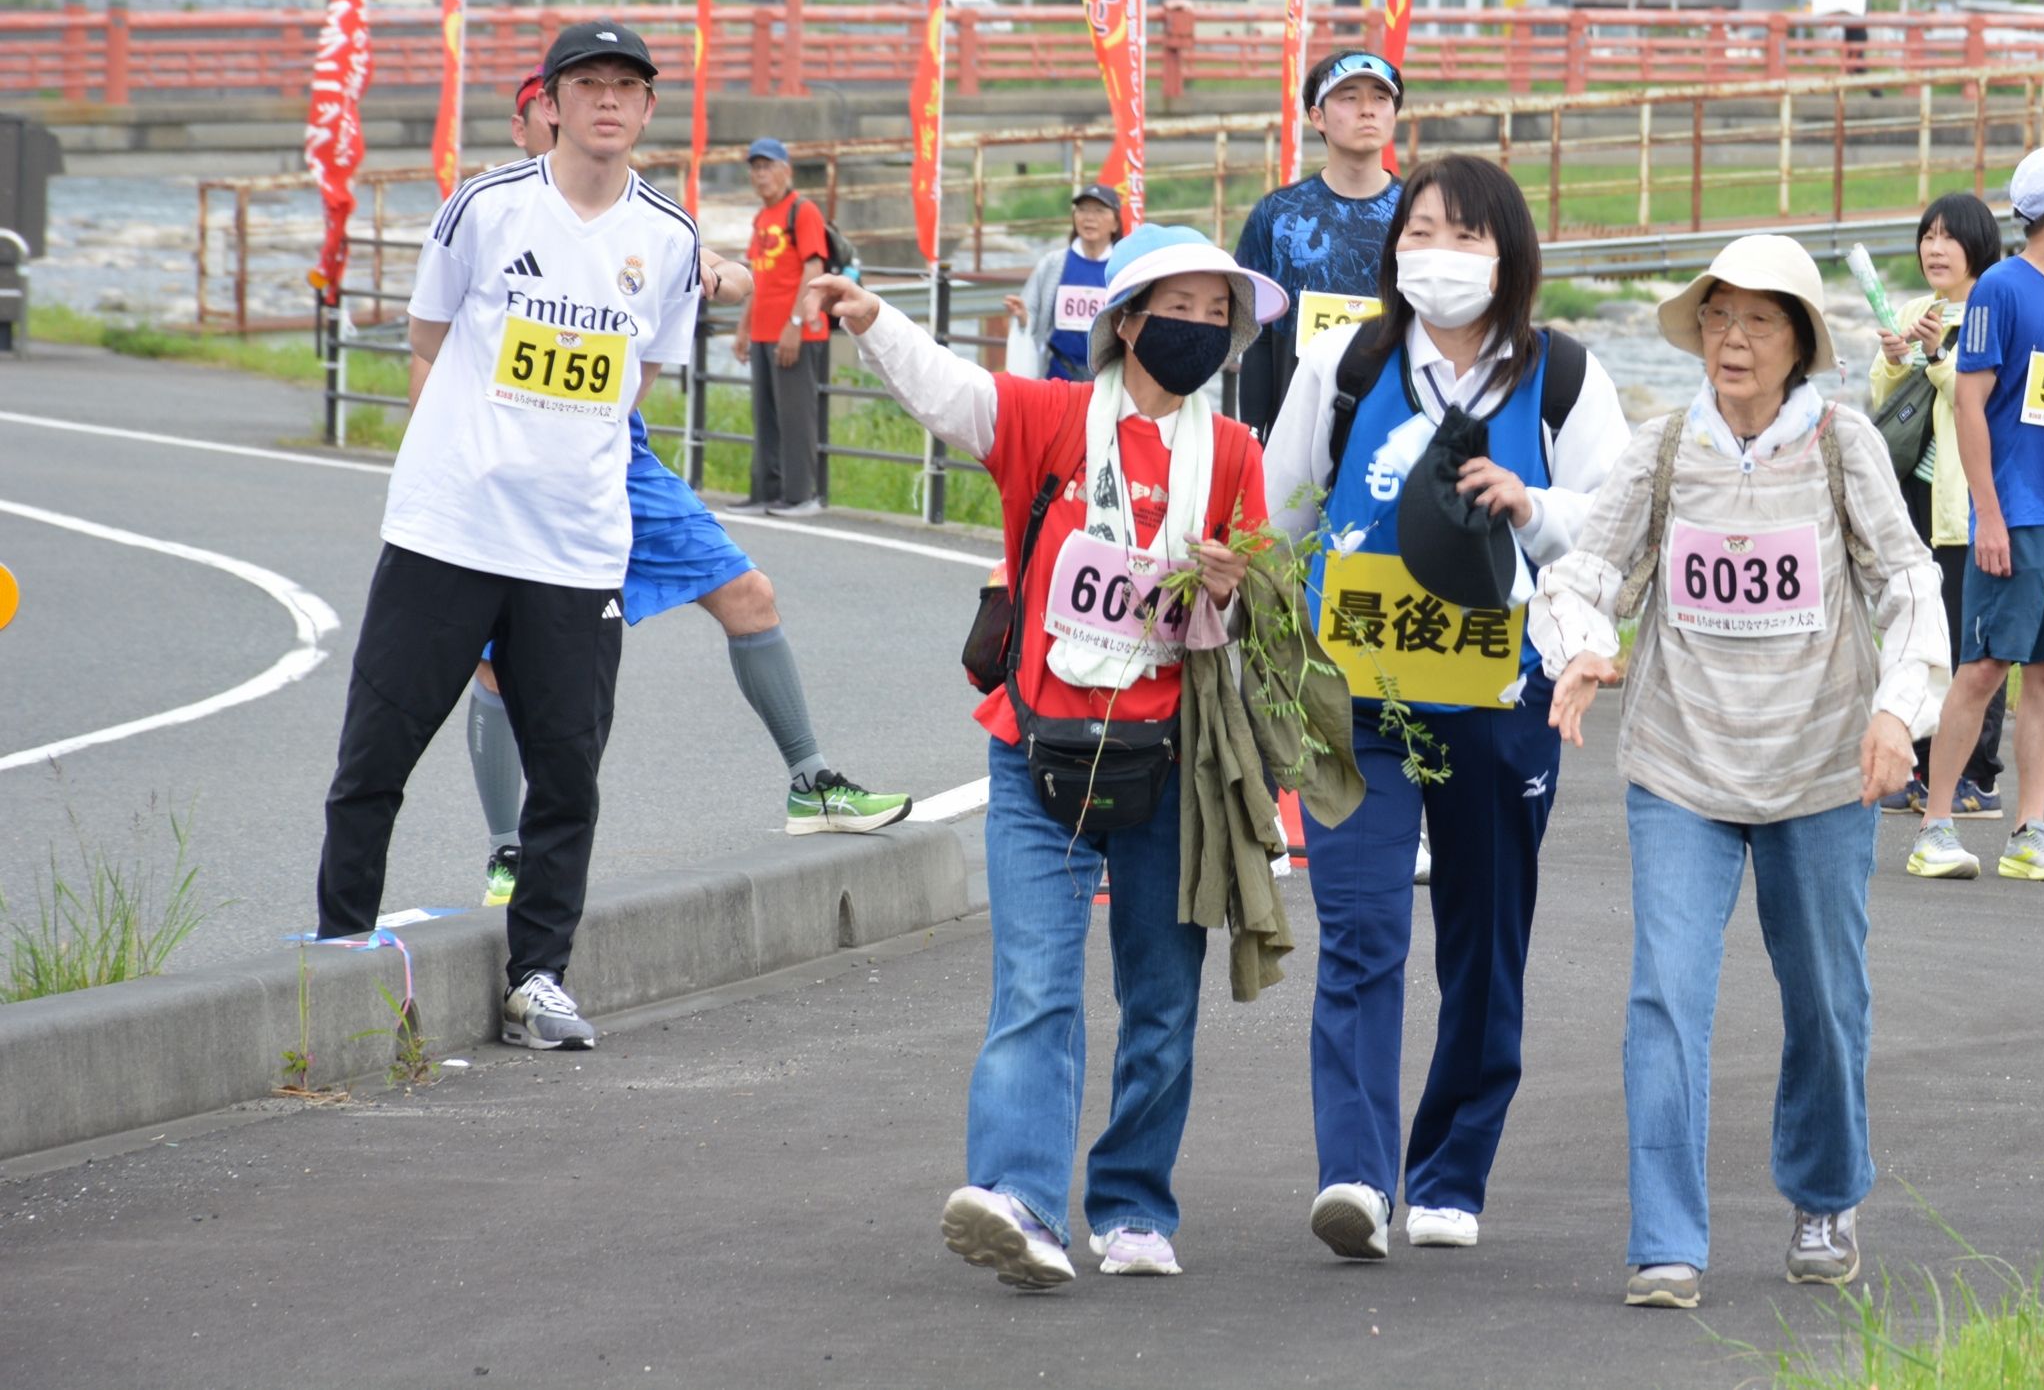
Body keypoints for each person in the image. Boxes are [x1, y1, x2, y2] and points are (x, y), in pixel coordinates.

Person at [807, 225, 1284, 1289]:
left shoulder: (1238, 454)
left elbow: (1253, 605)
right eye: (1180, 309)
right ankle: (1020, 1201)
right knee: (1035, 986)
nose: (1198, 329)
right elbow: (952, 395)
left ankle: (1133, 1205)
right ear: (1125, 321)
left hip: (1172, 765)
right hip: (1037, 753)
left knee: (1163, 997)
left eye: (1217, 315)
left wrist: (1225, 584)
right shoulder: (1056, 418)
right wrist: (875, 317)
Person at [1531, 234, 1944, 1310]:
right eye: (1719, 316)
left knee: (1823, 996)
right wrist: (1578, 640)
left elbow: (1907, 582)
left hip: (1820, 768)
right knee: (1664, 995)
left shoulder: (1844, 446)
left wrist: (1900, 711)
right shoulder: (1667, 447)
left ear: (1801, 341)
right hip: (1681, 766)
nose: (1733, 338)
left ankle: (1824, 1193)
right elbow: (1584, 570)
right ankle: (1665, 1240)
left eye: (1761, 320)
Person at [1264, 153, 1629, 1261]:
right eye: (1420, 231)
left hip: (1500, 699)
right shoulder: (1344, 361)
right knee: (1362, 933)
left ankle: (1450, 1170)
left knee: (1483, 941)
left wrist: (1536, 505)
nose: (1440, 254)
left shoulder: (1564, 377)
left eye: (1467, 236)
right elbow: (1280, 514)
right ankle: (1355, 1176)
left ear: (1509, 255)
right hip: (1356, 698)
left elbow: (1614, 529)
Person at [312, 21, 702, 1054]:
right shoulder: (486, 207)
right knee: (376, 752)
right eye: (589, 85)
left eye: (628, 86)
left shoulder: (669, 240)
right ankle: (340, 947)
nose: (608, 102)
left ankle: (537, 977)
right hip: (449, 531)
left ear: (648, 108)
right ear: (556, 101)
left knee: (567, 774)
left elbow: (639, 377)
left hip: (575, 550)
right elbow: (429, 341)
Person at [465, 75, 907, 910]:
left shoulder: (639, 214)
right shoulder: (490, 213)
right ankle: (507, 852)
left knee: (750, 594)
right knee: (498, 668)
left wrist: (716, 273)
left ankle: (811, 781)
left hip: (622, 466)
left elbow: (721, 273)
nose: (574, 116)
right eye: (551, 106)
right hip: (527, 475)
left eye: (608, 98)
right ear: (532, 122)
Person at [1908, 143, 2044, 886]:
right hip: (2017, 514)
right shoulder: (2001, 288)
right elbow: (1969, 402)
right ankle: (1936, 825)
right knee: (1984, 665)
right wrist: (1988, 515)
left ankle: (2030, 829)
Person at [1868, 193, 2012, 816]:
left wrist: (1931, 355)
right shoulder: (1915, 308)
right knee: (1918, 629)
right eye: (1928, 236)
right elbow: (1884, 395)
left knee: (1970, 639)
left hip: (1970, 497)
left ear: (1978, 245)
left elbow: (1975, 397)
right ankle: (1924, 766)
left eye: (1949, 238)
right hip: (1916, 495)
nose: (1934, 248)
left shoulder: (1991, 309)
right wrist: (1898, 357)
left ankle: (1976, 773)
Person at [1231, 49, 1403, 441]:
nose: (1367, 110)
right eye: (1349, 97)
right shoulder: (1277, 215)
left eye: (1380, 98)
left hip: (1393, 428)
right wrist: (1254, 438)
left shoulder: (1421, 213)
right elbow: (1255, 334)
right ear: (1317, 116)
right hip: (1298, 427)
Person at [739, 136, 830, 517]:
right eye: (756, 168)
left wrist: (794, 323)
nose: (762, 176)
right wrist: (743, 329)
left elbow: (814, 267)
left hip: (796, 331)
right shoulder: (762, 218)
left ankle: (801, 495)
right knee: (766, 415)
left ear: (786, 170)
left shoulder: (802, 211)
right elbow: (755, 278)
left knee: (796, 415)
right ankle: (767, 490)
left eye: (768, 167)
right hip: (763, 331)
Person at [1005, 183, 1124, 382]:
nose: (1089, 218)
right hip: (1058, 376)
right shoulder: (1053, 264)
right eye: (1083, 210)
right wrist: (1023, 317)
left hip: (1107, 380)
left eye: (1099, 211)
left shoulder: (1122, 269)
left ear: (1115, 223)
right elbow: (1031, 312)